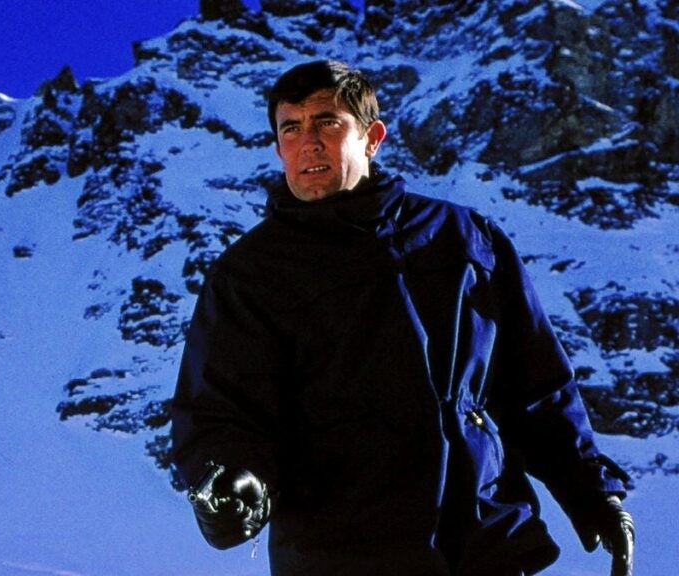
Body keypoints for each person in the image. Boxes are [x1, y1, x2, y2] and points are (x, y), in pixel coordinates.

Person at [170, 60, 635, 576]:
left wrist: (594, 493)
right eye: (291, 129)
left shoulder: (464, 239)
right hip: (341, 556)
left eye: (327, 122)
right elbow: (219, 410)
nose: (309, 143)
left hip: (486, 544)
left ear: (372, 138)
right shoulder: (249, 274)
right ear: (279, 148)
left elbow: (537, 388)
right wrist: (230, 475)